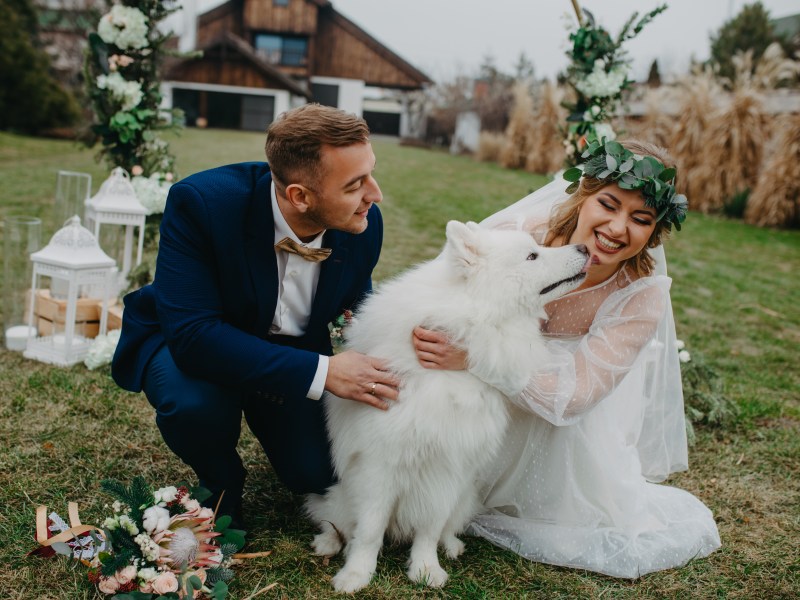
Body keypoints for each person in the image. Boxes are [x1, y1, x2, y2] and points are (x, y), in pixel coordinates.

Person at [412, 138, 721, 578]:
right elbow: (443, 302)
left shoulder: (640, 297)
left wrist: (478, 358)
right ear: (583, 196)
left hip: (555, 415)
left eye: (641, 219)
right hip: (472, 395)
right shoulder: (521, 235)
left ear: (656, 230)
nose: (617, 228)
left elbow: (571, 400)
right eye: (608, 205)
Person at [112, 104, 400, 527]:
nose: (375, 195)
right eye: (356, 184)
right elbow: (194, 336)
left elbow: (354, 306)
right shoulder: (202, 203)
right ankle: (221, 481)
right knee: (194, 405)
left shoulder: (363, 222)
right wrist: (323, 372)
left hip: (293, 355)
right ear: (299, 196)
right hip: (196, 347)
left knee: (315, 473)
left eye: (371, 173)